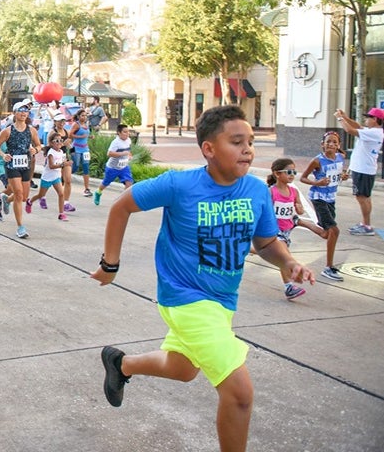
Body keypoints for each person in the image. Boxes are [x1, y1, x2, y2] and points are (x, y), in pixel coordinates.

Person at [91, 105, 314, 452]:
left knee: (183, 368)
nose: (248, 150)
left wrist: (287, 261)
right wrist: (110, 264)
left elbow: (266, 242)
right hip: (184, 298)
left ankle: (121, 364)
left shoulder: (255, 191)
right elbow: (122, 206)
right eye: (237, 142)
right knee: (239, 393)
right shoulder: (180, 185)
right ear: (208, 149)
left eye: (251, 142)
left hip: (223, 301)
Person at [266, 158, 327, 300]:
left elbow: (297, 213)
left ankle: (247, 249)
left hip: (287, 229)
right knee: (283, 256)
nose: (292, 174)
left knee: (271, 253)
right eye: (288, 172)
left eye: (294, 172)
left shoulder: (293, 192)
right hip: (275, 231)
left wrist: (299, 208)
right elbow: (265, 211)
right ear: (277, 174)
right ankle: (288, 287)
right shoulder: (271, 192)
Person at [300, 131, 350, 282]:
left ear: (339, 145)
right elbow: (302, 178)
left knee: (327, 234)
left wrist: (343, 176)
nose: (331, 144)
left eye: (334, 142)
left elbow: (338, 174)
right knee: (334, 231)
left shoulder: (341, 157)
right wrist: (317, 183)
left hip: (331, 198)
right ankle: (328, 267)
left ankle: (300, 222)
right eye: (328, 142)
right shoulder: (317, 161)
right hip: (319, 198)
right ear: (322, 144)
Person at [0, 100, 42, 239]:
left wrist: (34, 149)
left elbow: (39, 146)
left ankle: (6, 200)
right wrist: (3, 155)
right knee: (19, 193)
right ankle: (20, 227)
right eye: (21, 110)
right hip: (12, 165)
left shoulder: (31, 130)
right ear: (14, 113)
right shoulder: (7, 131)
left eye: (26, 111)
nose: (23, 113)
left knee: (24, 196)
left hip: (25, 165)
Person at [333, 106, 384, 236]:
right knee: (365, 197)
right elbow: (358, 126)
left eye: (369, 117)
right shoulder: (373, 131)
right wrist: (345, 117)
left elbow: (350, 130)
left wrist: (339, 118)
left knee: (362, 197)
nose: (366, 119)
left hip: (363, 169)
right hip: (364, 168)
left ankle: (367, 226)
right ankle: (365, 223)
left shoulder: (374, 133)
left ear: (376, 119)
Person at [27, 133, 69, 221]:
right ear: (51, 143)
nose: (59, 142)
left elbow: (61, 163)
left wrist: (65, 164)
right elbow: (51, 166)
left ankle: (61, 214)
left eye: (61, 140)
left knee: (61, 194)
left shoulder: (61, 152)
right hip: (47, 177)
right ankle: (30, 201)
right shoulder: (51, 153)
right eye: (57, 141)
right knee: (41, 194)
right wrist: (62, 164)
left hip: (56, 177)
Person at [93, 124, 134, 206]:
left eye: (128, 132)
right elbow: (109, 153)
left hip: (124, 167)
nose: (127, 133)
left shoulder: (128, 140)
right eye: (124, 132)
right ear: (119, 133)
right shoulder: (116, 142)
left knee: (129, 183)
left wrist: (129, 155)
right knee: (106, 183)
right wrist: (122, 153)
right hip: (112, 168)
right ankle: (98, 192)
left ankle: (124, 201)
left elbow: (128, 151)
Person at [69, 109, 93, 197]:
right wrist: (80, 136)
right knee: (75, 166)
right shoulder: (76, 124)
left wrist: (90, 136)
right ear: (78, 116)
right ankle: (63, 177)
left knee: (86, 167)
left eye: (85, 115)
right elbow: (70, 135)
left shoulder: (86, 125)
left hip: (85, 149)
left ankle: (87, 189)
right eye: (82, 115)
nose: (84, 117)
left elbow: (85, 135)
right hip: (75, 148)